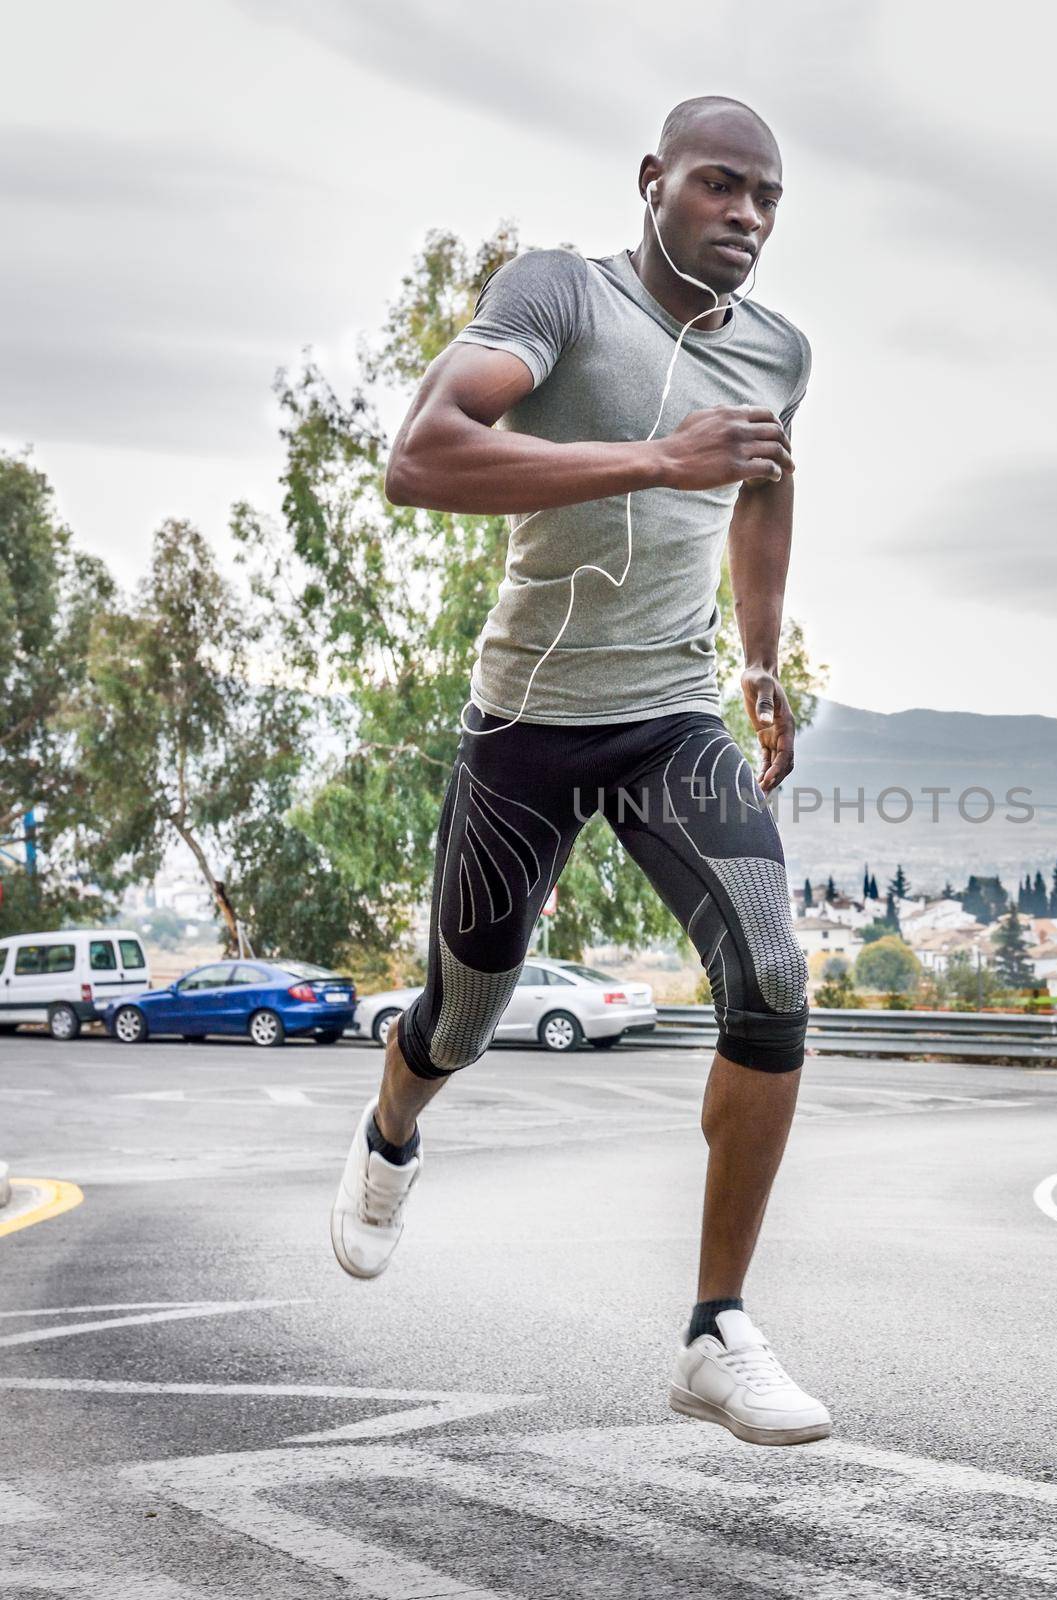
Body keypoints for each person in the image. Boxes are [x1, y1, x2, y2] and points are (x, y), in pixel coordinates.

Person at [328, 96, 829, 1447]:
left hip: (669, 721)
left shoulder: (778, 350)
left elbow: (766, 481)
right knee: (463, 1018)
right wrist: (662, 455)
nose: (747, 217)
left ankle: (716, 1331)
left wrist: (762, 664)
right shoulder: (559, 295)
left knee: (775, 978)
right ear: (655, 180)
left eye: (768, 199)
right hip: (527, 729)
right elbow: (420, 459)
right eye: (721, 186)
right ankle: (389, 1132)